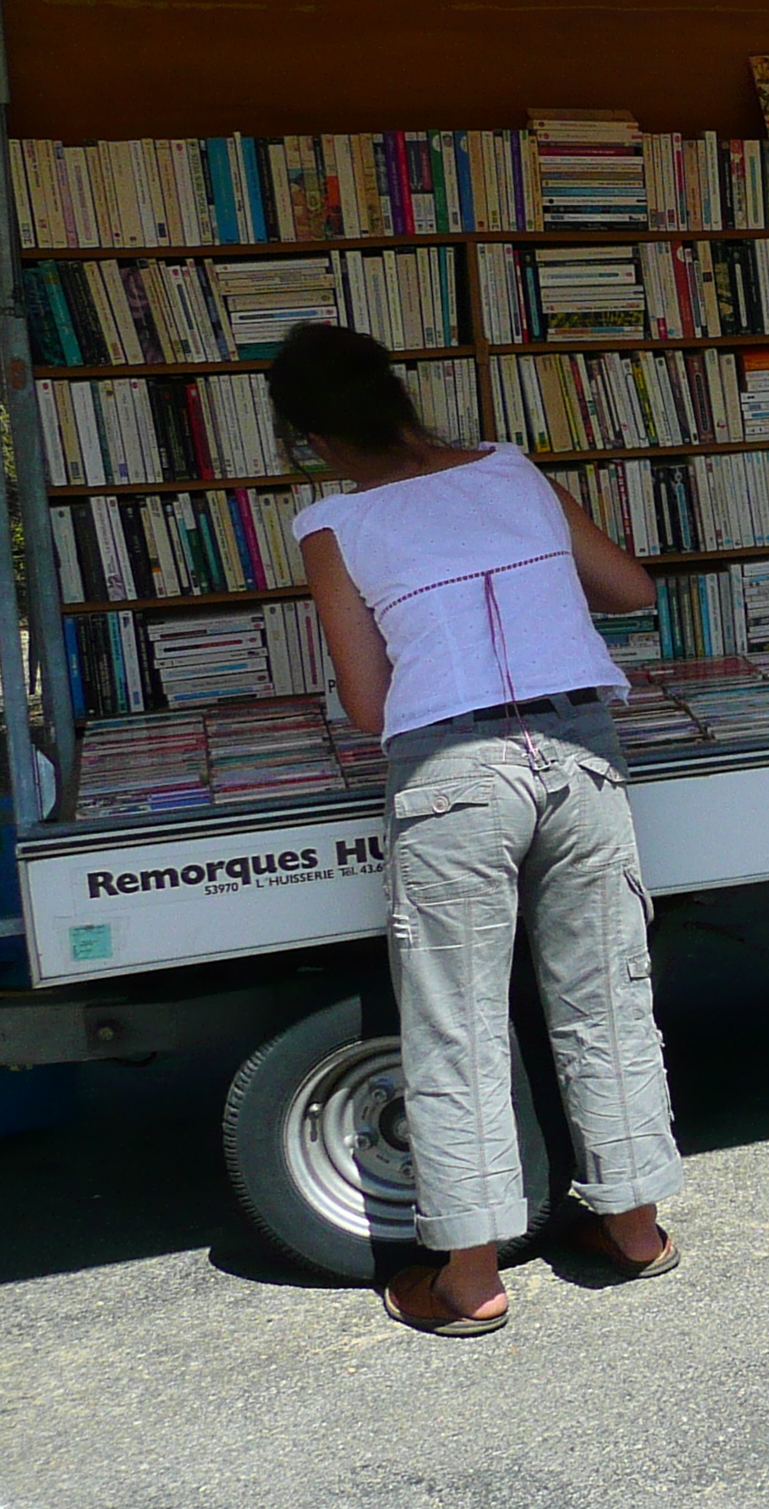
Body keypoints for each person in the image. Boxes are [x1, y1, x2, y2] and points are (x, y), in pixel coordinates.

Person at [272, 322, 684, 1337]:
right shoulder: (510, 469)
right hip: (582, 755)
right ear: (398, 393)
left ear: (309, 434)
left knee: (456, 1023)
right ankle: (634, 1226)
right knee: (607, 997)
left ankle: (470, 1279)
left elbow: (370, 705)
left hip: (455, 775)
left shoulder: (332, 522)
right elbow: (631, 590)